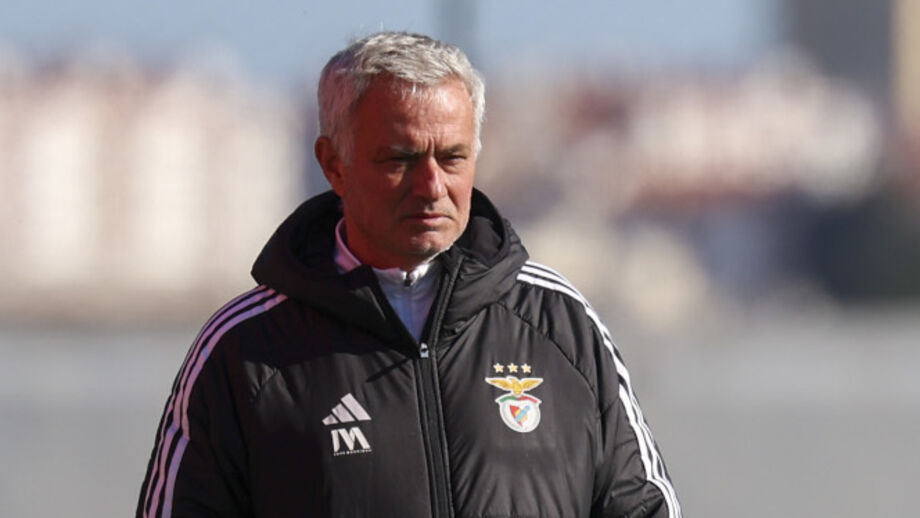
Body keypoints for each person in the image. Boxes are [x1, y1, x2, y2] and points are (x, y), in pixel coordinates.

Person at [137, 31, 680, 518]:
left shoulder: (561, 324)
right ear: (334, 164)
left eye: (452, 157)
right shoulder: (244, 351)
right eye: (399, 159)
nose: (430, 186)